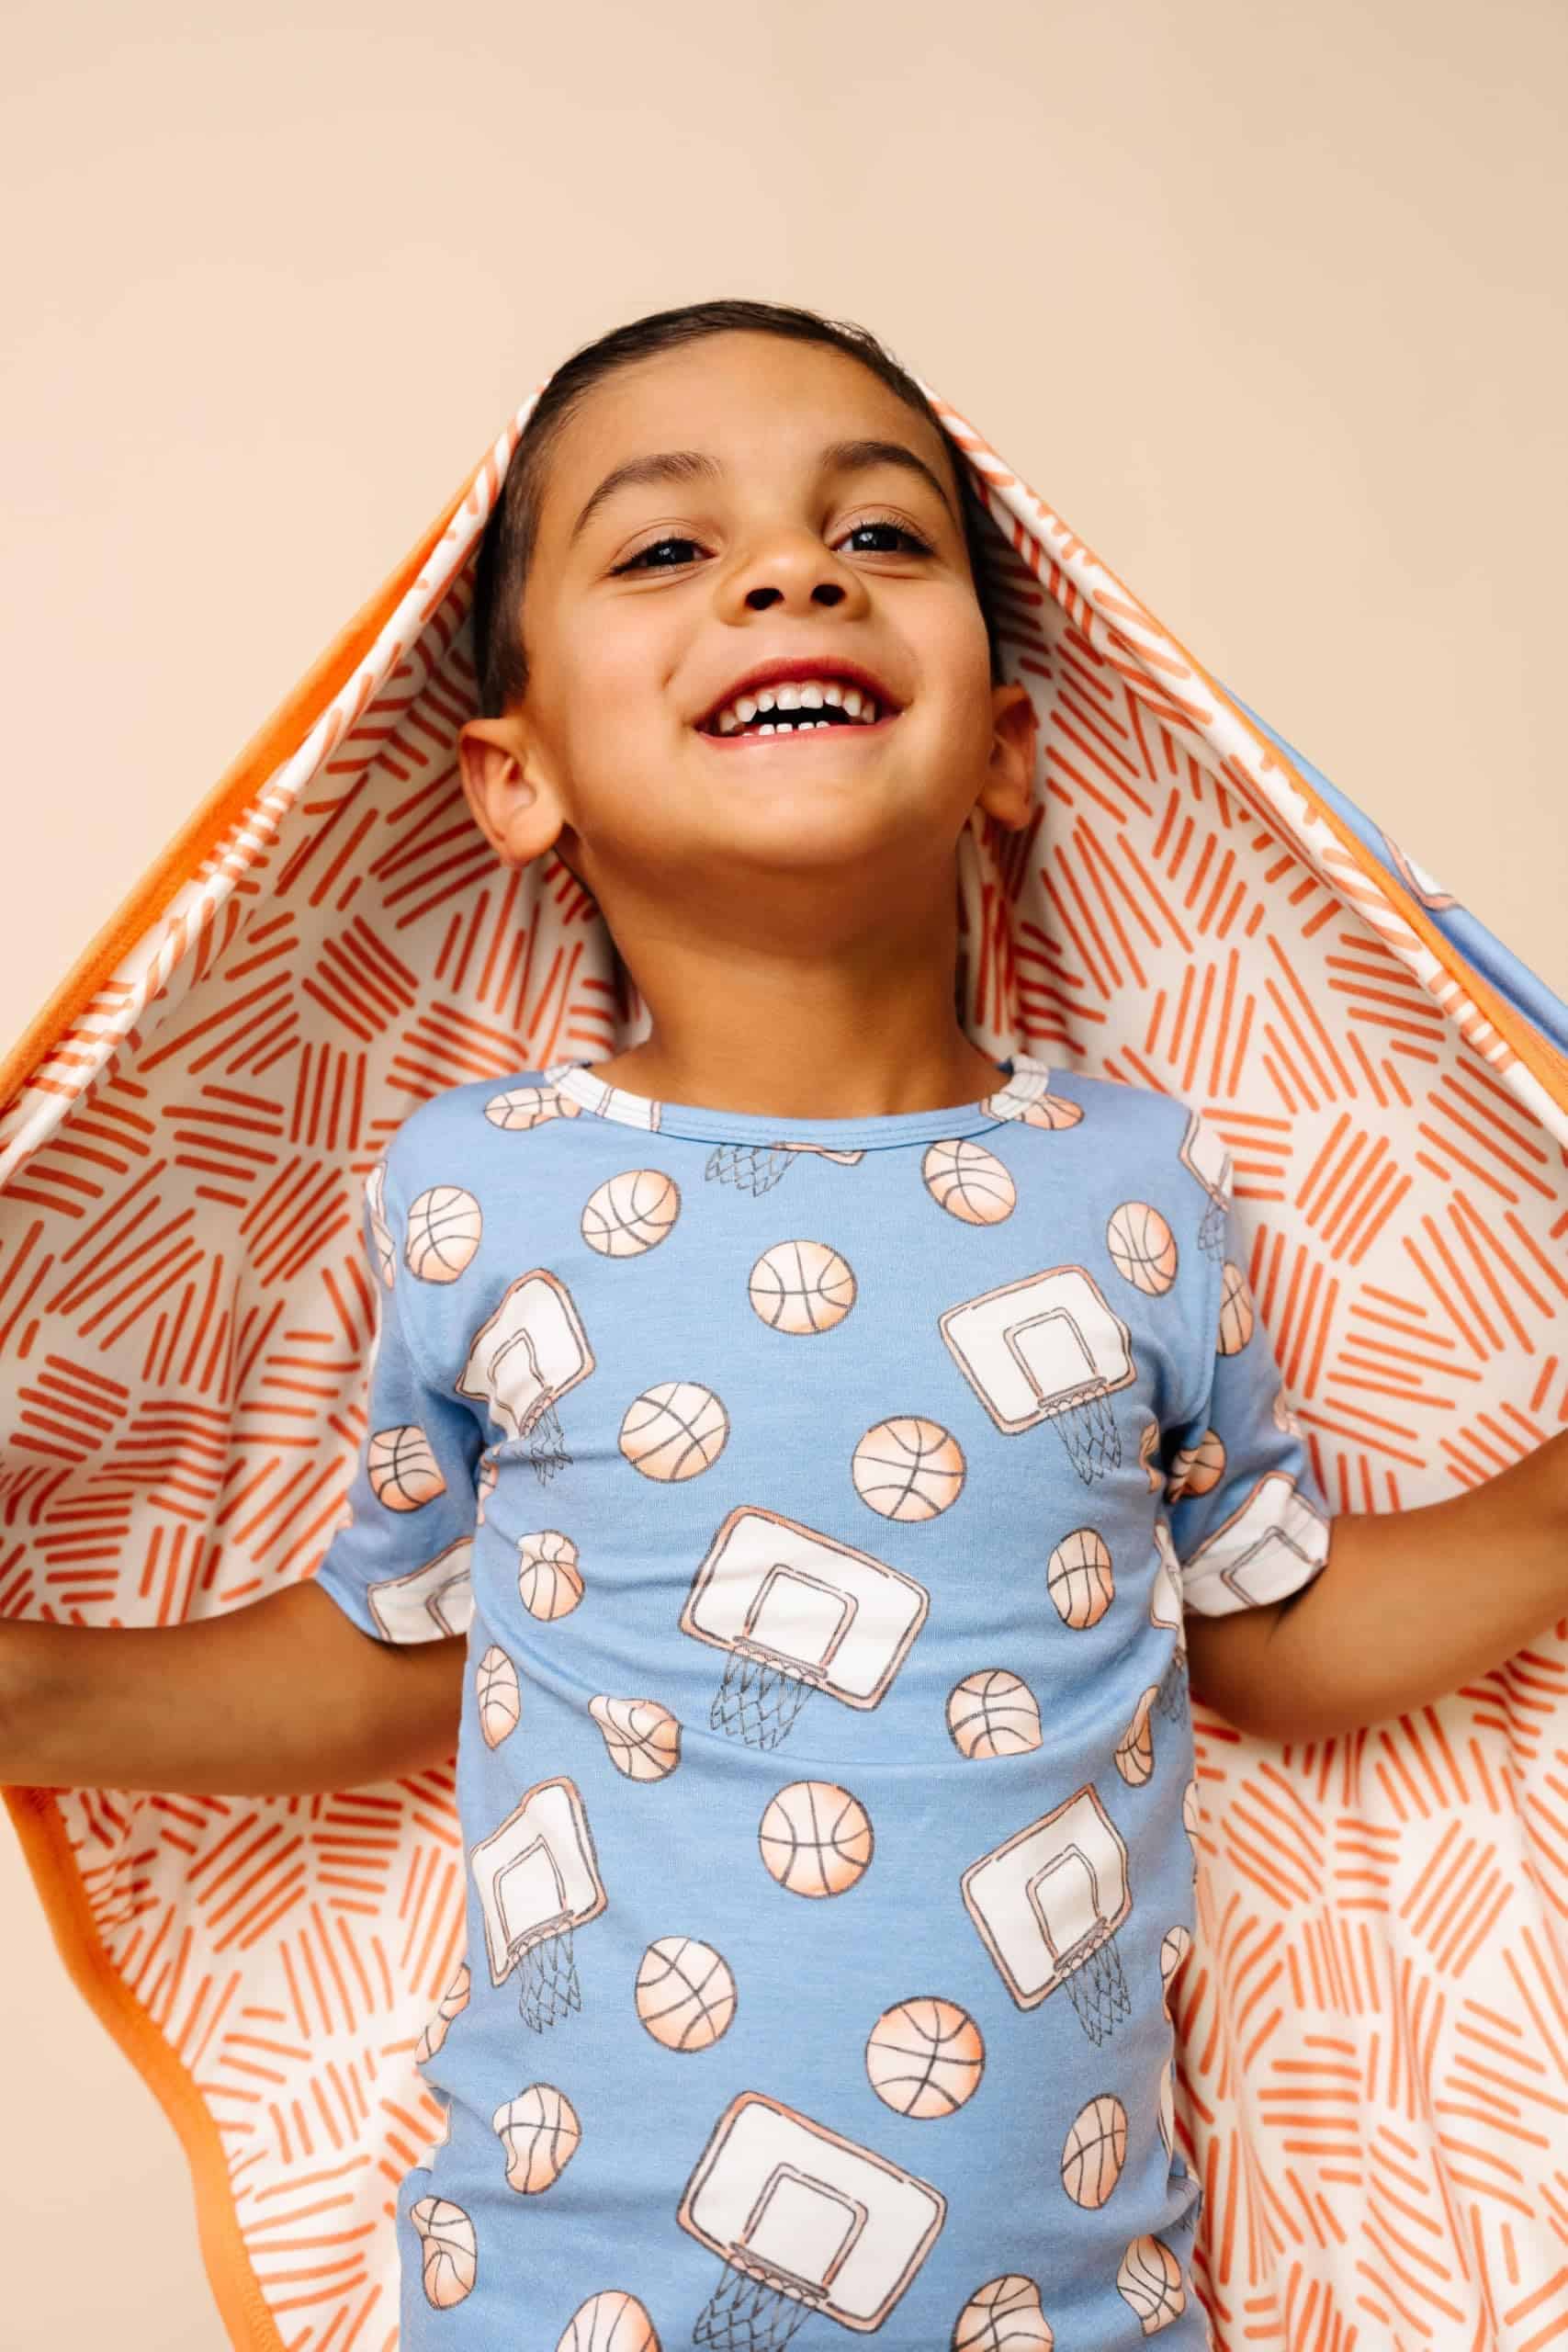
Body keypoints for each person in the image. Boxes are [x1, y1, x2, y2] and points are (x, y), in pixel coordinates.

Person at [5, 297, 1564, 2352]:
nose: (791, 575)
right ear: (518, 778)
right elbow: (414, 1644)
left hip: (1078, 2314)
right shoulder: (479, 1190)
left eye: (881, 535)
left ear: (1005, 748)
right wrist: (36, 1692)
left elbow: (1267, 1626)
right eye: (667, 546)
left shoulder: (1135, 1186)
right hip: (553, 2303)